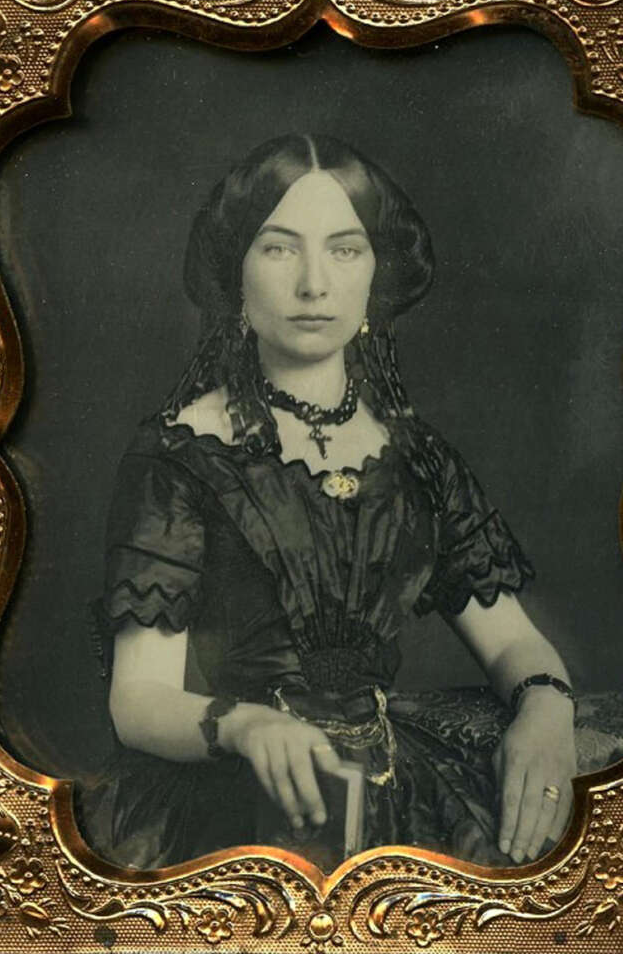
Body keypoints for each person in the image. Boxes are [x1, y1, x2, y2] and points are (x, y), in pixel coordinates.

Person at [78, 134, 577, 871]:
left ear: (375, 273)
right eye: (280, 249)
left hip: (400, 788)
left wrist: (546, 708)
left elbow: (509, 640)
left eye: (344, 250)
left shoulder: (417, 459)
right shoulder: (180, 455)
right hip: (227, 805)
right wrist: (246, 726)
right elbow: (138, 700)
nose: (315, 284)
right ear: (236, 274)